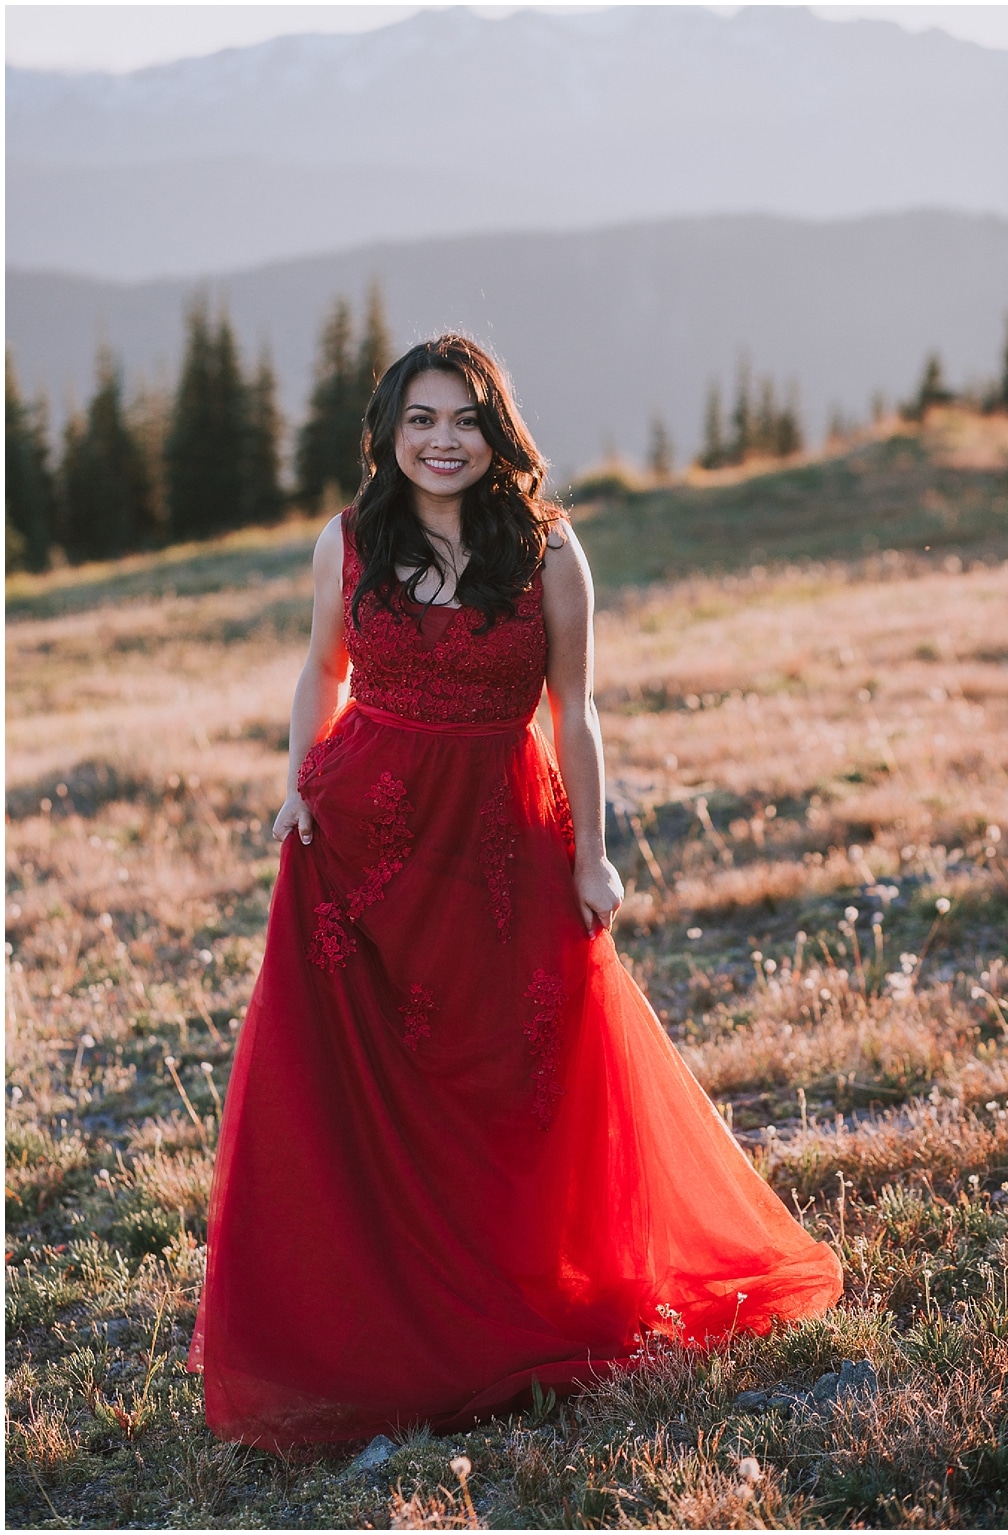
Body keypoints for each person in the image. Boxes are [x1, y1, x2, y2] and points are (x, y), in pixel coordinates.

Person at [190, 336, 841, 1448]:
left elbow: (572, 711)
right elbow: (321, 669)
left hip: (500, 839)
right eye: (421, 421)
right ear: (389, 436)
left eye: (463, 420)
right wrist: (298, 784)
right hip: (362, 842)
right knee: (362, 1083)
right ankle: (386, 1320)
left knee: (515, 1068)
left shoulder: (546, 550)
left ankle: (516, 1292)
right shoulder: (347, 542)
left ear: (497, 430)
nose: (442, 441)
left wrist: (594, 851)